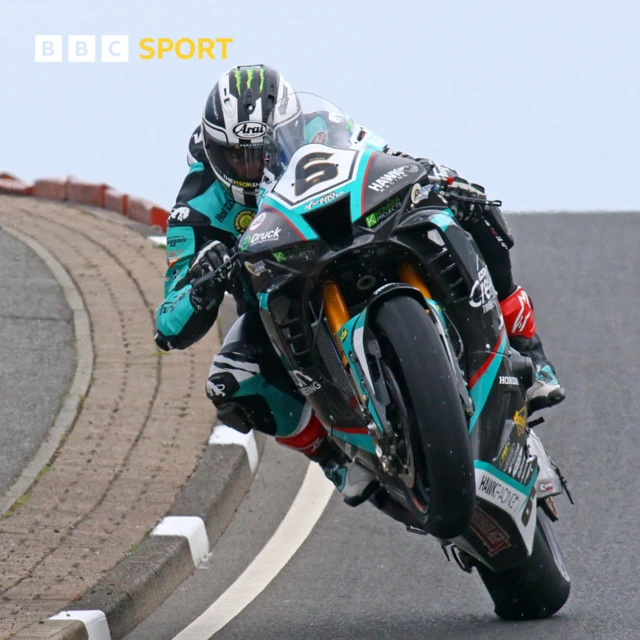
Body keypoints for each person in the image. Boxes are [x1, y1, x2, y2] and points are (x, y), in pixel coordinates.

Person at [155, 63, 565, 506]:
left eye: (261, 152)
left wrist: (437, 176)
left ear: (286, 130)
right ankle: (332, 456)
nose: (250, 167)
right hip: (280, 298)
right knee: (230, 380)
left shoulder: (320, 125)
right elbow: (168, 323)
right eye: (236, 156)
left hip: (356, 238)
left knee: (468, 205)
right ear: (211, 149)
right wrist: (201, 282)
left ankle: (529, 347)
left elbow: (383, 157)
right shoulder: (195, 203)